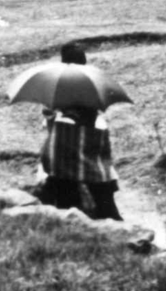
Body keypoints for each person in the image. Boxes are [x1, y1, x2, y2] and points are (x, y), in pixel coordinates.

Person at [35, 43, 123, 221]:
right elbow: (97, 112)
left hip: (64, 155)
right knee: (102, 192)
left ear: (63, 61)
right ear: (84, 61)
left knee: (61, 181)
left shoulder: (58, 81)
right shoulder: (92, 80)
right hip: (91, 149)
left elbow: (49, 115)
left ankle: (67, 207)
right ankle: (107, 215)